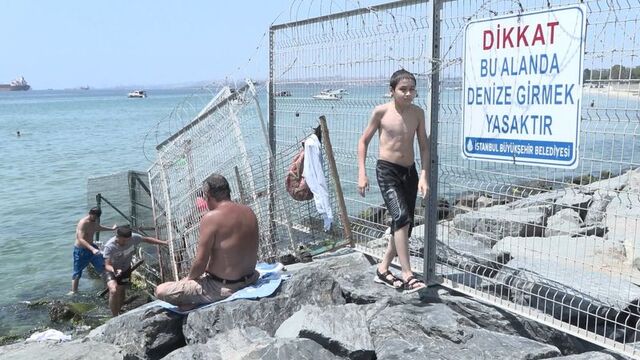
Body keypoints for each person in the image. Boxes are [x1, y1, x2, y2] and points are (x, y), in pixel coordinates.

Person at [357, 69, 430, 293]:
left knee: (403, 226)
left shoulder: (417, 113)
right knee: (401, 217)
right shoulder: (381, 112)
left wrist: (424, 175)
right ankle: (407, 273)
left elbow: (424, 146)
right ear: (392, 91)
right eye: (403, 90)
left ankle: (383, 268)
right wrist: (362, 173)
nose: (408, 94)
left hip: (410, 172)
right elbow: (363, 142)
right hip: (387, 170)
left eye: (412, 90)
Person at [155, 174, 260, 310]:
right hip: (251, 278)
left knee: (161, 290)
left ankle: (198, 301)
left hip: (223, 287)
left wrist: (189, 279)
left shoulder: (211, 218)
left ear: (207, 196)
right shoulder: (249, 211)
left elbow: (200, 263)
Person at [102, 225, 167, 316]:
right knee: (113, 290)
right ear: (118, 237)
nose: (126, 242)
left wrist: (164, 242)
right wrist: (114, 270)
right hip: (111, 269)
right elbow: (107, 265)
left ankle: (119, 310)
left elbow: (147, 239)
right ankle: (114, 315)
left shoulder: (133, 238)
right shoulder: (109, 246)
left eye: (128, 240)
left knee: (121, 290)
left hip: (125, 268)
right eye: (124, 240)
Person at [70, 207, 115, 294]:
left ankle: (107, 286)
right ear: (90, 214)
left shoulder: (94, 221)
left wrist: (112, 229)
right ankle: (73, 292)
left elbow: (98, 227)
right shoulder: (83, 223)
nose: (95, 219)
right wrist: (93, 249)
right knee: (77, 273)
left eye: (97, 217)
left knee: (103, 266)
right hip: (81, 250)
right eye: (94, 217)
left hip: (92, 248)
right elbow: (80, 239)